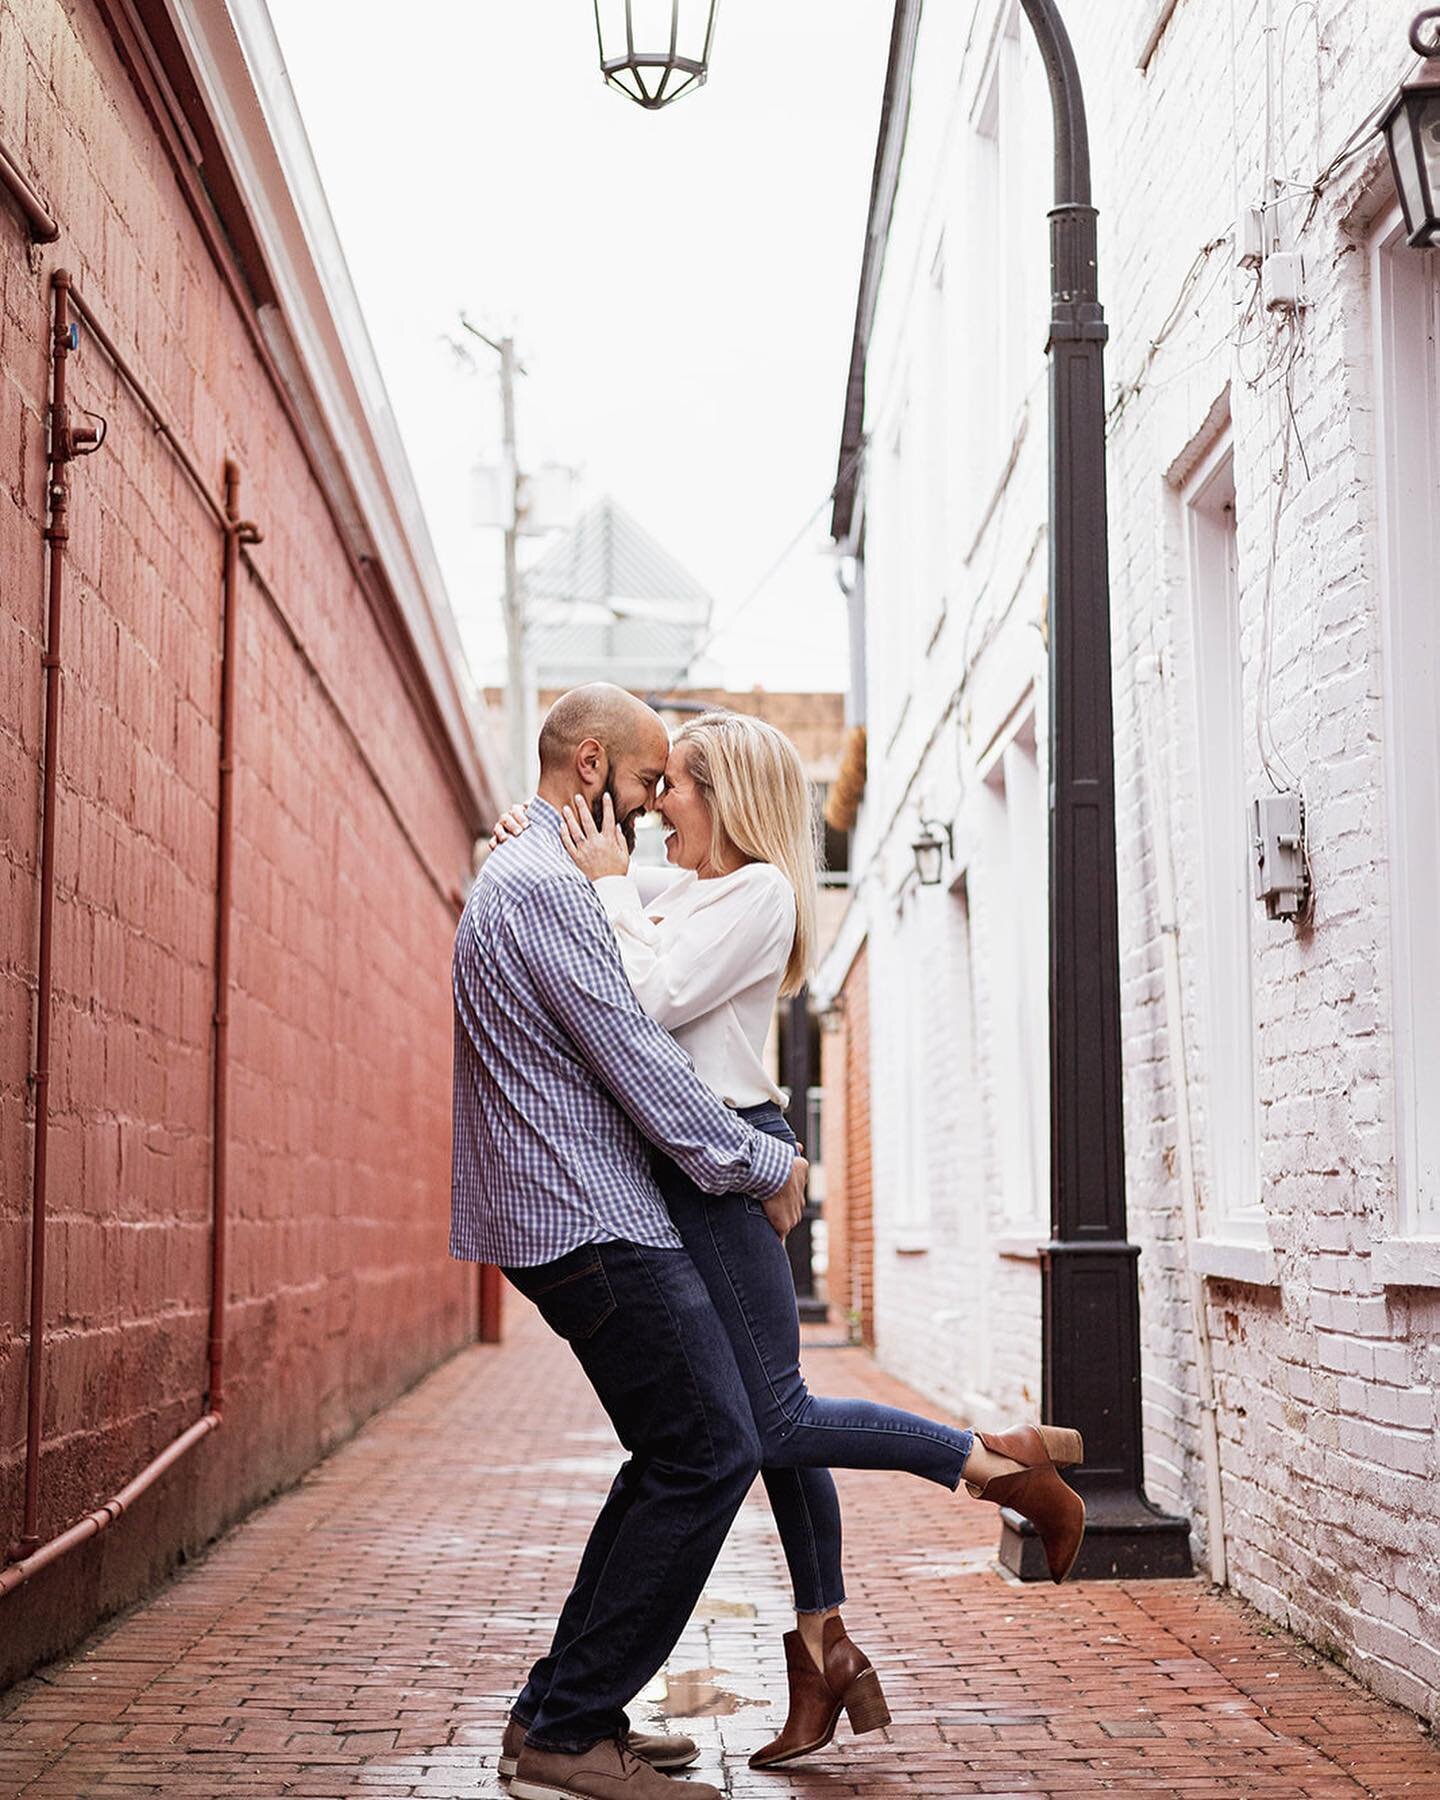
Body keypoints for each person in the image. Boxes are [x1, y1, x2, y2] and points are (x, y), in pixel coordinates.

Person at [490, 708, 1086, 1773]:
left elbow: (647, 991)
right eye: (654, 784)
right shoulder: (677, 886)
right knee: (772, 1418)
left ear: (728, 799)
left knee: (775, 1417)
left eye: (673, 786)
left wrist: (606, 883)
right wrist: (537, 848)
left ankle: (993, 1465)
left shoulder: (758, 894)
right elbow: (595, 928)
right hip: (683, 1174)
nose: (654, 804)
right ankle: (823, 1643)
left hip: (727, 1163)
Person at [451, 684, 812, 1800]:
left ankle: (562, 1711)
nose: (659, 805)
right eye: (652, 779)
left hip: (582, 1212)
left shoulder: (536, 872)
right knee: (714, 1448)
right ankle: (568, 1734)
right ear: (595, 766)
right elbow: (642, 1063)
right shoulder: (551, 891)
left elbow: (660, 933)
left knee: (678, 1449)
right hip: (590, 1215)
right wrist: (766, 1164)